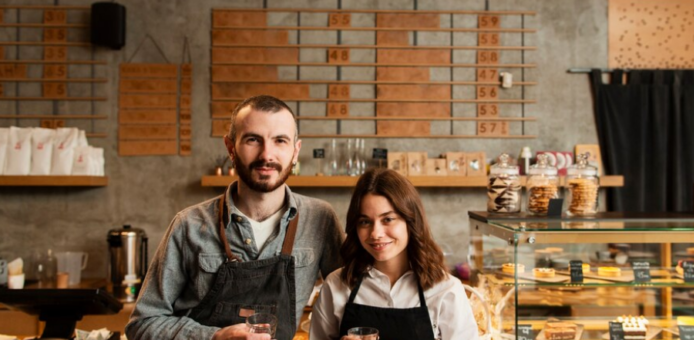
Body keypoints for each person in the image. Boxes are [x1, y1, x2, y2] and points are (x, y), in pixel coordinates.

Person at [126, 95, 344, 340]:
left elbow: (351, 300)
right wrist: (214, 337)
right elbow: (142, 324)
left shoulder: (320, 219)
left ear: (295, 151)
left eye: (280, 140)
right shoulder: (188, 225)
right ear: (231, 148)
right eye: (253, 139)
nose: (266, 155)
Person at [309, 168, 479, 340]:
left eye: (388, 219)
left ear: (410, 221)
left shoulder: (446, 290)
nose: (376, 233)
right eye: (365, 221)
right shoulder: (336, 285)